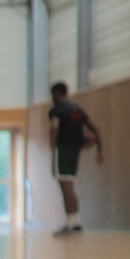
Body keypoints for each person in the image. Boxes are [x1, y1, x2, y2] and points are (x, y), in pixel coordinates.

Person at [48, 81, 104, 235]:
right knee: (69, 185)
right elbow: (95, 128)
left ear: (56, 94)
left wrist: (52, 144)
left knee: (66, 186)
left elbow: (54, 128)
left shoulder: (57, 110)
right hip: (75, 151)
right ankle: (75, 222)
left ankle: (72, 224)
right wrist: (100, 150)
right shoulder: (77, 109)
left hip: (63, 150)